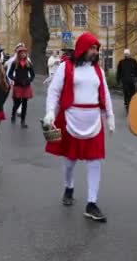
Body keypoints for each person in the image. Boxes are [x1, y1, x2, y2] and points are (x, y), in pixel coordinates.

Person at [43, 32, 115, 223]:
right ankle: (69, 186)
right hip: (71, 118)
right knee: (69, 161)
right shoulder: (66, 67)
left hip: (93, 121)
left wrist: (110, 116)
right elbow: (54, 91)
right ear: (83, 48)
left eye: (96, 49)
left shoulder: (97, 70)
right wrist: (50, 112)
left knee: (95, 161)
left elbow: (105, 93)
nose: (95, 52)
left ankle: (92, 203)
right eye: (92, 48)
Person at [7, 45, 35, 128]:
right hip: (18, 85)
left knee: (25, 104)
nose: (23, 54)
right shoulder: (14, 63)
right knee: (17, 103)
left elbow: (33, 75)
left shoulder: (28, 63)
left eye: (24, 53)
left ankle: (23, 121)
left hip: (26, 85)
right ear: (18, 54)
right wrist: (16, 79)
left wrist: (29, 80)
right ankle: (13, 114)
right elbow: (10, 74)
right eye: (21, 53)